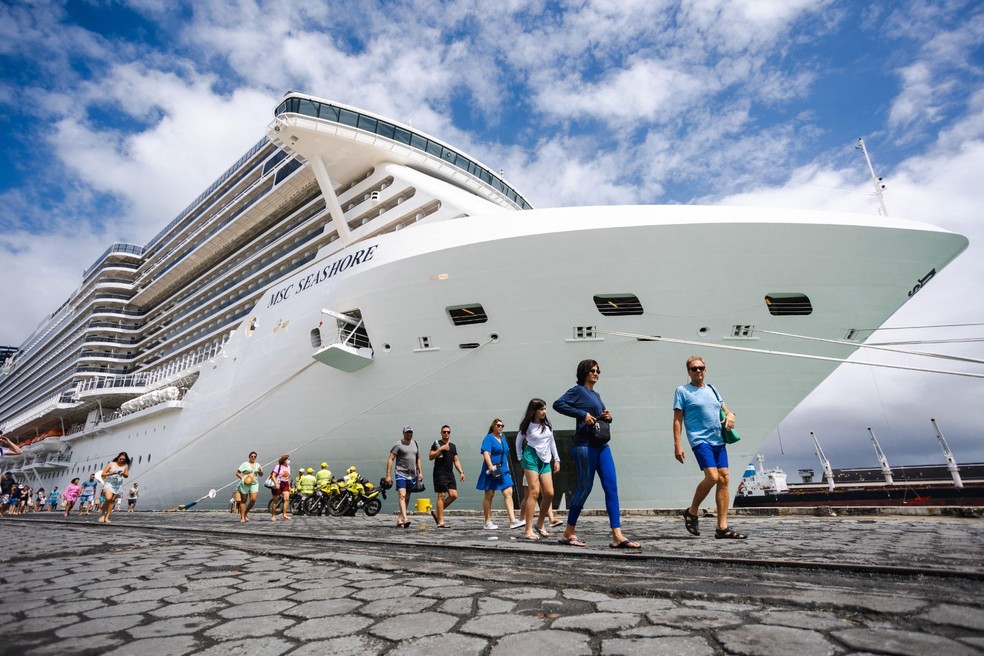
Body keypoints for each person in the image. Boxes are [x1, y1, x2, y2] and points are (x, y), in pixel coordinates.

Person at [553, 359, 640, 549]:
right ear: (584, 372)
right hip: (584, 446)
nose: (596, 373)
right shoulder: (577, 391)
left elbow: (597, 417)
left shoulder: (596, 395)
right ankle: (568, 532)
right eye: (592, 370)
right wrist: (581, 414)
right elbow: (558, 404)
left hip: (601, 446)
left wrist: (607, 416)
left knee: (611, 487)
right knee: (584, 488)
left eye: (598, 371)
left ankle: (617, 535)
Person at [673, 355, 747, 539]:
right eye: (694, 368)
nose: (698, 371)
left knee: (724, 479)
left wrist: (731, 415)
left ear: (705, 370)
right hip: (700, 440)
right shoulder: (682, 391)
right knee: (712, 477)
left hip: (718, 440)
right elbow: (677, 419)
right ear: (688, 372)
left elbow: (726, 410)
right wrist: (677, 444)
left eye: (701, 368)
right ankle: (692, 511)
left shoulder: (713, 389)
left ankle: (722, 528)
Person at [516, 398, 561, 541]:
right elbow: (518, 441)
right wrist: (520, 457)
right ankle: (528, 529)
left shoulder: (547, 425)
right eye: (541, 409)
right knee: (534, 492)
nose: (544, 412)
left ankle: (540, 524)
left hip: (546, 459)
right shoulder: (527, 426)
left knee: (549, 493)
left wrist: (557, 459)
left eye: (545, 409)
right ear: (534, 411)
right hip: (531, 457)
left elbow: (552, 441)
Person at [475, 418, 523, 531]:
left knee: (508, 491)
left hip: (503, 469)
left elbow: (505, 454)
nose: (500, 427)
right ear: (493, 427)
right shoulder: (489, 438)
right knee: (489, 494)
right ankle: (487, 522)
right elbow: (486, 453)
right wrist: (490, 466)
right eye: (498, 425)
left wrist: (508, 471)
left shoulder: (503, 438)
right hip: (492, 469)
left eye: (502, 425)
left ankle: (512, 520)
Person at [384, 426, 423, 528]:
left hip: (412, 474)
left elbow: (418, 458)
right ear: (403, 433)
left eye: (410, 432)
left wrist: (420, 472)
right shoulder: (398, 444)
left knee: (407, 497)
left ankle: (399, 519)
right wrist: (388, 475)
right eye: (407, 432)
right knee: (402, 495)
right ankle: (405, 519)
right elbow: (391, 459)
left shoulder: (415, 444)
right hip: (401, 473)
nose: (409, 434)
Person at [429, 424, 465, 528]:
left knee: (454, 495)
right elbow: (430, 456)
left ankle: (437, 513)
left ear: (450, 433)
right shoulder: (437, 444)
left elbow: (456, 460)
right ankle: (440, 521)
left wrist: (461, 472)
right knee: (441, 495)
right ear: (441, 433)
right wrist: (440, 449)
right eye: (444, 432)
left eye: (448, 432)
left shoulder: (453, 446)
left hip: (450, 473)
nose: (446, 433)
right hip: (440, 473)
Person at [98, 452, 131, 523]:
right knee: (108, 498)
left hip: (118, 484)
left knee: (112, 501)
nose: (121, 460)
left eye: (123, 459)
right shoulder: (111, 464)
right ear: (118, 457)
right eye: (120, 458)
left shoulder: (125, 465)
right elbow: (103, 474)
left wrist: (123, 473)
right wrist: (112, 473)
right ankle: (103, 514)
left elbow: (126, 475)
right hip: (109, 483)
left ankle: (107, 517)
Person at [234, 451, 263, 522]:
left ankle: (246, 512)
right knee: (243, 500)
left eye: (254, 456)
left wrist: (260, 471)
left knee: (253, 500)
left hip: (254, 483)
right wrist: (242, 478)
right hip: (245, 482)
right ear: (249, 457)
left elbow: (261, 474)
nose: (253, 457)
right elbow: (237, 473)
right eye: (252, 456)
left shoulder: (258, 465)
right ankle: (242, 517)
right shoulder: (245, 464)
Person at [268, 454, 292, 521]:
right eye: (287, 459)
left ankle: (284, 515)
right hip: (278, 483)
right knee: (276, 500)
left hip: (285, 483)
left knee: (286, 499)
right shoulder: (278, 466)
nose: (288, 460)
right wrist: (276, 484)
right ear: (284, 460)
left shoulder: (288, 467)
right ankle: (273, 515)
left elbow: (288, 477)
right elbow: (273, 476)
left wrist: (289, 486)